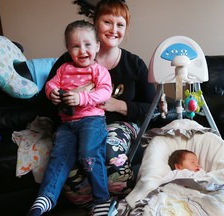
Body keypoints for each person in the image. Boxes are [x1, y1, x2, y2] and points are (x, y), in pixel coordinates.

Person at [44, 0, 156, 212]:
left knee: (107, 151)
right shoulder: (68, 60)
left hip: (120, 124)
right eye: (107, 22)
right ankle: (99, 206)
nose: (114, 30)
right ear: (95, 24)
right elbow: (47, 99)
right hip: (77, 124)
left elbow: (151, 109)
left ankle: (119, 200)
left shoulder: (134, 65)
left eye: (120, 24)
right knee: (69, 176)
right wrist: (62, 99)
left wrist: (117, 105)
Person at [27, 20, 113, 216]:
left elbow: (105, 92)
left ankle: (102, 198)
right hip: (67, 124)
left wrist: (81, 97)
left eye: (88, 44)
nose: (82, 50)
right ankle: (46, 198)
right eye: (75, 46)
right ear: (68, 49)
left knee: (88, 152)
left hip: (92, 121)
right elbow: (50, 84)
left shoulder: (98, 70)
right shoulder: (64, 69)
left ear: (97, 46)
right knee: (58, 157)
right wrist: (53, 92)